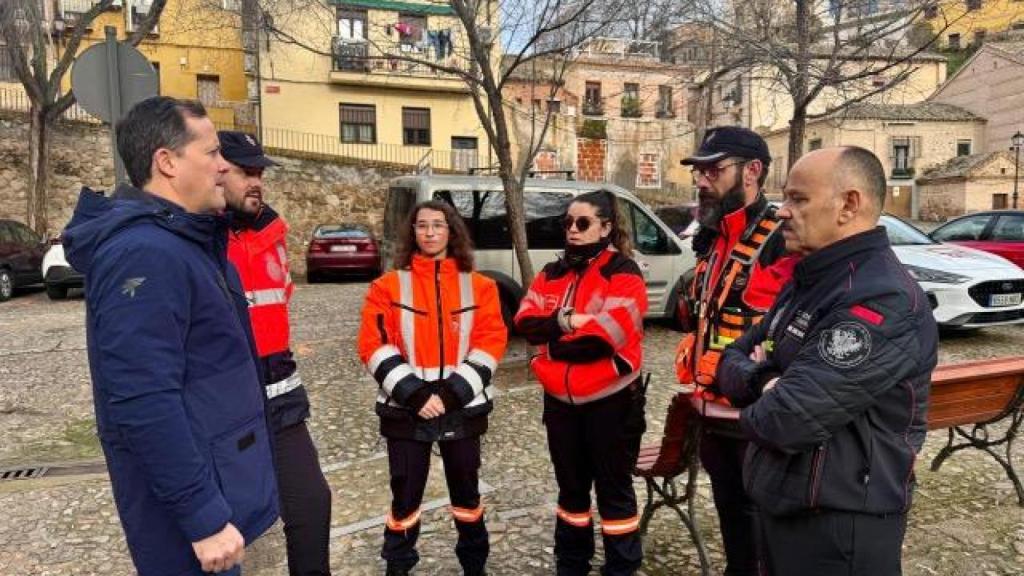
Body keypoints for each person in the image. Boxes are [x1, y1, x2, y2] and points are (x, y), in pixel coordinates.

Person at [63, 97, 279, 575]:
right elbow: (143, 398)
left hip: (218, 485)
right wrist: (203, 516)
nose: (223, 167)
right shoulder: (144, 253)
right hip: (187, 520)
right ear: (167, 162)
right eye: (212, 153)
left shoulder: (187, 242)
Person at [715, 146, 938, 575]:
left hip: (839, 526)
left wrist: (767, 386)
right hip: (784, 502)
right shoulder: (810, 280)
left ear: (848, 205)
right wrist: (767, 380)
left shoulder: (880, 297)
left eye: (798, 198)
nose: (782, 211)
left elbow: (783, 420)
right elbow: (729, 359)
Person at [356, 200, 507, 576]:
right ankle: (398, 566)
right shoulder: (387, 286)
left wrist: (452, 394)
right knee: (405, 496)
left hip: (462, 406)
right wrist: (416, 394)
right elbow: (373, 344)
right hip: (407, 409)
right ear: (413, 232)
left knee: (467, 495)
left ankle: (474, 566)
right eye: (422, 225)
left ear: (451, 231)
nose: (429, 232)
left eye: (438, 225)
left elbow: (491, 342)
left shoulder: (481, 287)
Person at [673, 126, 798, 575]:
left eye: (713, 170)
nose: (701, 180)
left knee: (764, 524)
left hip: (756, 413)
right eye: (699, 171)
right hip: (712, 407)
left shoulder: (782, 237)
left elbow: (800, 324)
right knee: (731, 516)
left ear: (752, 171)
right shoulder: (713, 236)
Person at [514, 190, 648, 576]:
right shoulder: (551, 272)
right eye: (568, 222)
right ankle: (571, 564)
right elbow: (524, 323)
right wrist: (566, 322)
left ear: (605, 227)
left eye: (583, 222)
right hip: (560, 403)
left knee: (613, 492)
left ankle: (621, 568)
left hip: (612, 403)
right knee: (571, 491)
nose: (572, 229)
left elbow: (603, 340)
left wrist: (552, 341)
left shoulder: (623, 272)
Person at [219, 130, 332, 576]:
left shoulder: (272, 234)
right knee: (229, 525)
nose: (256, 182)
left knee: (312, 503)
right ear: (215, 170)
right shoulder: (200, 238)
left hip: (280, 397)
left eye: (259, 173)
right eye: (245, 172)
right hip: (228, 403)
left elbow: (277, 305)